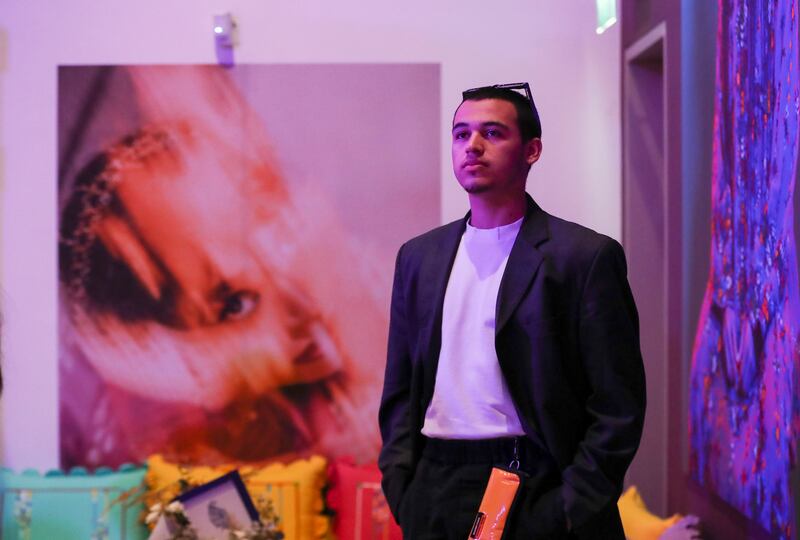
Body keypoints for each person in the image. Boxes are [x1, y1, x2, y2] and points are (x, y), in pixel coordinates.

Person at [378, 83, 646, 539]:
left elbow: (618, 403)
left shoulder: (583, 257)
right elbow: (400, 390)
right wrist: (403, 486)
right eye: (461, 134)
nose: (472, 146)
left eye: (492, 133)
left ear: (532, 150)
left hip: (538, 481)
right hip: (435, 485)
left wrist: (569, 506)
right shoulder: (419, 257)